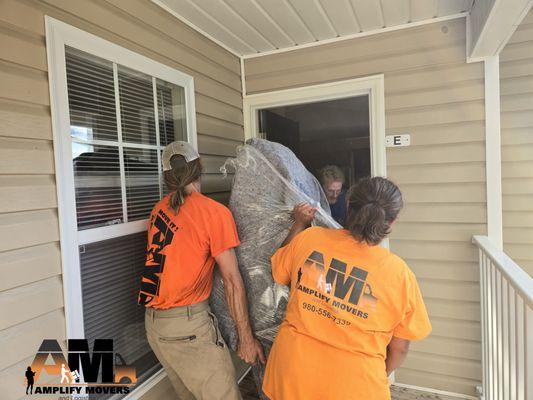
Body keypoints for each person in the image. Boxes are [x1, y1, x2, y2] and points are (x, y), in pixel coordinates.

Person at [262, 177, 432, 400]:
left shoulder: (310, 239)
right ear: (391, 222)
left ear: (348, 206)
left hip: (290, 376)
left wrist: (299, 224)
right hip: (356, 386)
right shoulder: (400, 275)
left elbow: (279, 270)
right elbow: (400, 349)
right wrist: (376, 373)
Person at [138, 141, 264, 400]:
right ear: (200, 168)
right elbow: (231, 280)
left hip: (154, 327)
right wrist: (246, 338)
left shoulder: (157, 211)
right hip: (187, 329)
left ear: (166, 177)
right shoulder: (213, 213)